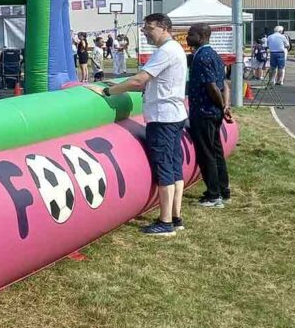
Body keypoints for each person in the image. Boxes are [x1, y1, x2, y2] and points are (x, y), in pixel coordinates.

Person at [90, 13, 187, 236]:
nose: (145, 32)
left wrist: (108, 91)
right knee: (174, 166)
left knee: (164, 168)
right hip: (173, 114)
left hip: (163, 118)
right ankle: (175, 216)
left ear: (164, 28)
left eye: (149, 28)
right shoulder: (175, 50)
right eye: (144, 28)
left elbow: (138, 80)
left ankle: (165, 223)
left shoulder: (165, 51)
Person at [186, 23, 234, 209]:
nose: (188, 37)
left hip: (204, 112)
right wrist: (226, 106)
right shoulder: (214, 54)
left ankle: (214, 196)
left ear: (200, 36)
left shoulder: (202, 57)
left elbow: (212, 87)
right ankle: (223, 190)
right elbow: (225, 85)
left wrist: (222, 106)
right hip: (214, 112)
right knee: (217, 152)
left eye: (190, 34)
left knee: (207, 154)